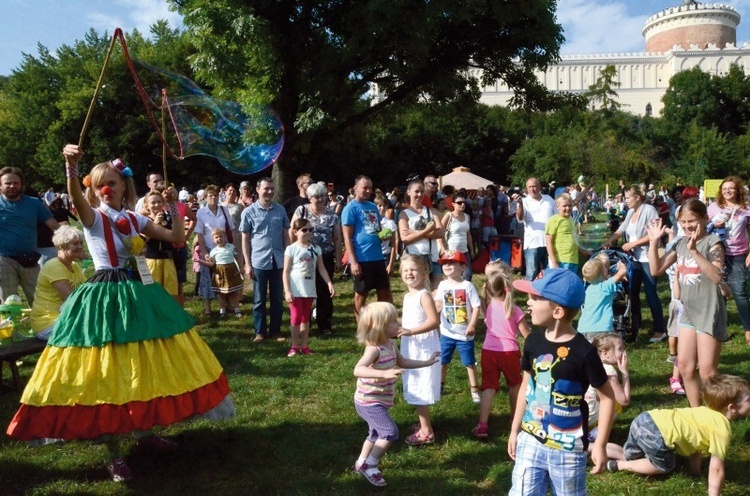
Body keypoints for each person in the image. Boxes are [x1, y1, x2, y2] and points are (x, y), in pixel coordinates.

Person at [7, 145, 235, 482]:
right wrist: (71, 167)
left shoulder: (134, 218)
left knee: (140, 362)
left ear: (124, 185)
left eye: (112, 182)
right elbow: (76, 196)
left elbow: (174, 238)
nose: (107, 189)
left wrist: (173, 206)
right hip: (103, 296)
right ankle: (113, 453)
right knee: (106, 370)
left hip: (135, 293)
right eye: (100, 184)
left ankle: (144, 432)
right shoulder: (93, 216)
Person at [508, 268, 617, 493]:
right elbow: (526, 385)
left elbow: (607, 398)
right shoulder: (533, 342)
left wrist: (601, 445)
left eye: (536, 298)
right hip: (530, 438)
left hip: (568, 449)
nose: (528, 302)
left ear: (557, 311)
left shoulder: (584, 352)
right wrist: (514, 429)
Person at [606, 374, 750, 496]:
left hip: (645, 418)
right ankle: (621, 466)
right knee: (664, 466)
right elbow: (716, 468)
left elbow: (697, 449)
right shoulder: (721, 429)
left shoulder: (704, 411)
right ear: (732, 408)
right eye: (748, 400)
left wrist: (696, 472)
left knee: (632, 456)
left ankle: (596, 448)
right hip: (656, 434)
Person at [646, 199, 727, 407]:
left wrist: (695, 252)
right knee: (684, 366)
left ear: (704, 218)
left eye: (692, 221)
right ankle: (697, 412)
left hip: (709, 311)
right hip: (689, 311)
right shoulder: (680, 243)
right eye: (683, 221)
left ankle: (714, 413)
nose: (687, 226)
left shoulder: (713, 242)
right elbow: (656, 270)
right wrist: (654, 242)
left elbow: (717, 276)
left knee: (708, 372)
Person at [353, 302, 440, 487]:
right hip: (368, 401)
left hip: (379, 399)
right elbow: (358, 369)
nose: (398, 323)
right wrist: (382, 373)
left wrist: (426, 362)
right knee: (389, 432)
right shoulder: (373, 349)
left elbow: (403, 362)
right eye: (393, 321)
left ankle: (361, 462)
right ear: (381, 327)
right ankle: (371, 464)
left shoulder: (391, 344)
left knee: (375, 433)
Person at [472, 261, 530, 439]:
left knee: (488, 387)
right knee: (515, 385)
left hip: (489, 351)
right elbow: (527, 335)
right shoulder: (514, 309)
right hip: (510, 353)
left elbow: (486, 298)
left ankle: (482, 424)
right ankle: (515, 418)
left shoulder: (488, 307)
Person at [604, 185, 665, 343]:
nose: (626, 201)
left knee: (651, 293)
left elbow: (654, 233)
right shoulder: (631, 212)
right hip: (634, 260)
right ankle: (636, 323)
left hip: (647, 258)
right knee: (632, 292)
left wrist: (634, 244)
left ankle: (660, 329)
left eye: (628, 198)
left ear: (637, 197)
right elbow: (621, 230)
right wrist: (609, 240)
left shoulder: (649, 209)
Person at [397, 254, 441, 447]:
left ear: (424, 273)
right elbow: (408, 321)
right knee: (414, 383)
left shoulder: (424, 295)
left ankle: (426, 432)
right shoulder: (408, 296)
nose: (409, 273)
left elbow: (434, 321)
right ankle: (424, 423)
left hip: (422, 346)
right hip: (411, 344)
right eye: (405, 270)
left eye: (413, 270)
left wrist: (410, 331)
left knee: (420, 386)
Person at [0, 167, 61, 306]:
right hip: (4, 260)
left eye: (16, 183)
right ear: (0, 186)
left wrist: (69, 240)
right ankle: (11, 328)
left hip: (30, 259)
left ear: (22, 185)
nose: (12, 186)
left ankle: (41, 328)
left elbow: (53, 225)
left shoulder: (34, 203)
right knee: (8, 304)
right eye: (7, 183)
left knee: (39, 301)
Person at [240, 177, 290, 342]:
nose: (269, 191)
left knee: (277, 298)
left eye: (271, 189)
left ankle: (275, 331)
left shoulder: (280, 210)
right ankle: (259, 332)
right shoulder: (249, 212)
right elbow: (245, 239)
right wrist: (247, 263)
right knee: (259, 299)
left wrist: (289, 256)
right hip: (259, 261)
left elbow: (285, 235)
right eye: (266, 188)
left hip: (278, 260)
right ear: (258, 189)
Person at [290, 182, 343, 336]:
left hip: (325, 256)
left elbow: (338, 238)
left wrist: (338, 259)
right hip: (304, 256)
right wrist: (294, 250)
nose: (320, 199)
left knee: (324, 291)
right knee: (304, 288)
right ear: (310, 198)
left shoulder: (332, 215)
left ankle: (324, 325)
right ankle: (303, 323)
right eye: (316, 197)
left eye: (322, 196)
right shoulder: (302, 210)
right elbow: (292, 230)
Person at [341, 176, 393, 322]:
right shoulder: (350, 208)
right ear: (355, 188)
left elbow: (377, 229)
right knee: (361, 294)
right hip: (362, 258)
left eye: (370, 188)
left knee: (383, 292)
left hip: (378, 256)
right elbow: (347, 237)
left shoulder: (372, 207)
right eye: (365, 187)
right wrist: (354, 262)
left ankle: (382, 324)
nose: (368, 190)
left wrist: (383, 235)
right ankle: (361, 327)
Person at [706, 176, 750, 344]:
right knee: (718, 293)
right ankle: (720, 330)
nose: (727, 191)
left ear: (737, 190)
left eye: (731, 188)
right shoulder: (713, 208)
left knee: (739, 291)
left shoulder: (746, 208)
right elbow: (704, 228)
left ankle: (748, 329)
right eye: (724, 189)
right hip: (717, 254)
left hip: (738, 253)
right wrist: (714, 226)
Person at [434, 250, 482, 403]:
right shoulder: (442, 285)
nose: (447, 265)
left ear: (462, 267)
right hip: (446, 333)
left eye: (451, 263)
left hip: (464, 335)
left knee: (469, 362)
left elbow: (476, 307)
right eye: (444, 264)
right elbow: (438, 304)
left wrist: (472, 325)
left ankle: (474, 389)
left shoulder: (467, 286)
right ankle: (440, 386)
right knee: (442, 361)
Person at [283, 218, 335, 356]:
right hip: (295, 289)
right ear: (295, 232)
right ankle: (294, 345)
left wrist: (329, 283)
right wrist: (287, 291)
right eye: (304, 230)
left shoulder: (316, 249)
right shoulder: (291, 249)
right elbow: (286, 271)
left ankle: (305, 345)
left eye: (310, 229)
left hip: (309, 289)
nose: (308, 232)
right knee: (296, 318)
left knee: (306, 318)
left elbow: (322, 268)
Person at [29, 225, 87, 340]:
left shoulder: (74, 267)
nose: (80, 247)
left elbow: (87, 291)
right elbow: (73, 299)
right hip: (46, 323)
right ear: (62, 246)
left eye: (81, 243)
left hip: (63, 317)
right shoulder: (54, 266)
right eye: (75, 244)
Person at [584, 333, 630, 456]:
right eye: (620, 349)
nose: (624, 352)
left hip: (580, 413)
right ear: (605, 353)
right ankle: (593, 435)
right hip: (590, 415)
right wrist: (625, 373)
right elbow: (624, 400)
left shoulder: (593, 365)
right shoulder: (609, 371)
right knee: (616, 406)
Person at [398, 177, 445, 289]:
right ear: (409, 192)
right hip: (415, 258)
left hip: (433, 257)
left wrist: (416, 232)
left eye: (422, 191)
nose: (419, 194)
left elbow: (441, 233)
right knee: (420, 293)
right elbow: (405, 239)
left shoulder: (431, 211)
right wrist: (427, 231)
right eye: (416, 191)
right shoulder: (404, 214)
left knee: (437, 294)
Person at [515, 177, 557, 280]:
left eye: (534, 186)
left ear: (539, 187)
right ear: (526, 188)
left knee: (549, 271)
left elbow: (557, 217)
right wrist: (520, 204)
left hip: (549, 242)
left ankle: (546, 294)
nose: (532, 189)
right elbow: (520, 218)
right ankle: (531, 295)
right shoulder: (523, 201)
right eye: (529, 187)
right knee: (532, 272)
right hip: (532, 243)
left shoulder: (549, 199)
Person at [577, 255, 628, 339]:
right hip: (601, 328)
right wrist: (621, 266)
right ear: (604, 273)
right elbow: (622, 272)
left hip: (583, 328)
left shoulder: (588, 289)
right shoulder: (605, 286)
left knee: (588, 351)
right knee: (602, 351)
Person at [206, 228, 244, 319]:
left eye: (221, 236)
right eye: (216, 237)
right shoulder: (213, 251)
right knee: (221, 294)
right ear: (213, 240)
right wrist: (204, 261)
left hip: (231, 271)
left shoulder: (230, 247)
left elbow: (237, 257)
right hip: (220, 273)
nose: (219, 239)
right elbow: (212, 263)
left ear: (225, 237)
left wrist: (241, 267)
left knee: (233, 293)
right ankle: (222, 312)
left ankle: (237, 310)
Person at [545, 192, 588, 273]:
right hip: (560, 260)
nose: (568, 208)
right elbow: (549, 243)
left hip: (573, 260)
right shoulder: (553, 220)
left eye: (570, 205)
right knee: (560, 284)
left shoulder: (571, 220)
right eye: (564, 206)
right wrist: (554, 262)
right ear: (557, 206)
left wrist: (583, 251)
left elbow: (574, 239)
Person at [439, 189, 475, 281]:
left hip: (464, 251)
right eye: (459, 203)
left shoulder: (467, 216)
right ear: (453, 204)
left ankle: (465, 294)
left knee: (468, 275)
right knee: (453, 276)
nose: (462, 204)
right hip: (452, 251)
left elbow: (468, 234)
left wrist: (471, 250)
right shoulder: (449, 215)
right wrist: (443, 249)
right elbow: (439, 232)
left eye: (464, 202)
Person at [374, 196, 398, 277]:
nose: (382, 208)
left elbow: (393, 244)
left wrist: (391, 264)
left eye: (384, 206)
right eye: (380, 206)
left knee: (384, 283)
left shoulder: (390, 223)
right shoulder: (371, 222)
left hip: (385, 255)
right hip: (372, 254)